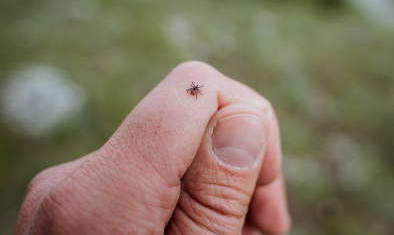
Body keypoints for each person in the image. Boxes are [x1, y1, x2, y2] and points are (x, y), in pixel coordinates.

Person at [14, 61, 290, 235]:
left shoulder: (195, 88)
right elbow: (194, 89)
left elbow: (195, 88)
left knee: (196, 89)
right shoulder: (195, 90)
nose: (194, 89)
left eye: (195, 89)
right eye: (194, 89)